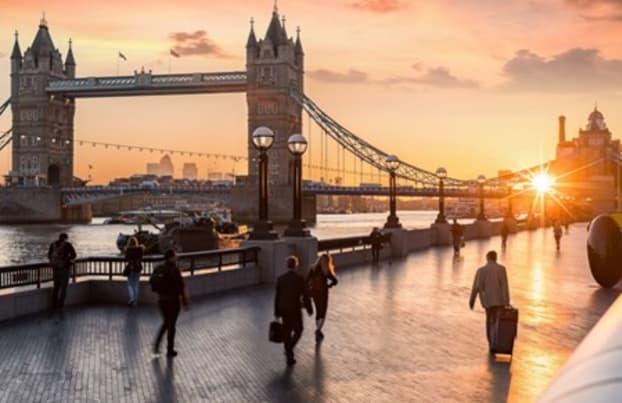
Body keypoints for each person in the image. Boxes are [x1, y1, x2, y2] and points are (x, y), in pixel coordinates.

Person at [469, 250, 510, 354]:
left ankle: (491, 343)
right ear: (496, 258)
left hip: (488, 302)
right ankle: (496, 342)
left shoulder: (481, 270)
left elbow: (476, 287)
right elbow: (504, 286)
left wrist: (472, 301)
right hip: (500, 302)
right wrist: (506, 301)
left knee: (489, 321)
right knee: (497, 322)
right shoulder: (501, 269)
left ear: (487, 258)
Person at [274, 256, 313, 365]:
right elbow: (305, 295)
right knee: (299, 330)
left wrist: (276, 311)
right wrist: (309, 308)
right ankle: (289, 349)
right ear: (296, 265)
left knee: (287, 330)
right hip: (295, 308)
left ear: (287, 265)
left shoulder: (280, 279)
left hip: (283, 308)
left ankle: (289, 354)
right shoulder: (300, 279)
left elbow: (277, 296)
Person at [153, 249, 189, 358]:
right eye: (175, 256)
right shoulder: (175, 269)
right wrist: (185, 301)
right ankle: (169, 349)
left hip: (161, 300)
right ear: (171, 257)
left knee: (166, 323)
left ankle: (157, 344)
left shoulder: (159, 268)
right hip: (173, 301)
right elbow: (181, 286)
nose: (176, 257)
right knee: (171, 325)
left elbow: (153, 283)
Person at [307, 253, 338, 343]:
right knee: (323, 311)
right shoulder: (326, 271)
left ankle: (318, 329)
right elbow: (335, 281)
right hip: (323, 292)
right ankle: (318, 330)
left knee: (317, 310)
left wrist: (309, 289)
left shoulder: (313, 268)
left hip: (314, 292)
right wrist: (329, 285)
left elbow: (306, 280)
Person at [48, 233, 77, 310]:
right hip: (64, 269)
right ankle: (61, 304)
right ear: (66, 238)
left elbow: (49, 255)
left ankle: (54, 304)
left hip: (55, 269)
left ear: (59, 237)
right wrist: (67, 258)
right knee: (64, 288)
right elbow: (74, 255)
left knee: (56, 287)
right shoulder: (67, 245)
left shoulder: (53, 244)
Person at [124, 236, 145, 307]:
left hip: (131, 268)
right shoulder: (140, 249)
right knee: (136, 284)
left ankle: (132, 298)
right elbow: (142, 256)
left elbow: (126, 258)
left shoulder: (128, 250)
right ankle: (135, 301)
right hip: (138, 268)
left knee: (130, 284)